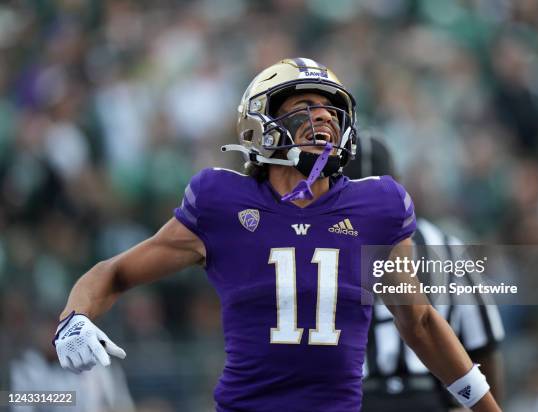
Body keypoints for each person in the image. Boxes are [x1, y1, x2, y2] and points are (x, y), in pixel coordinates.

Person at [53, 58, 501, 412]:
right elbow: (113, 274)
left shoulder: (378, 207)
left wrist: (485, 407)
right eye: (303, 108)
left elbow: (419, 322)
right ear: (259, 123)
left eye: (330, 109)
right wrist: (72, 320)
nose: (322, 118)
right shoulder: (220, 201)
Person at [344, 134, 505, 412]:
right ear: (398, 185)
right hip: (429, 399)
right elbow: (484, 347)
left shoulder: (317, 246)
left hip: (353, 400)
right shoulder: (445, 247)